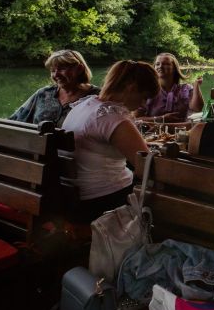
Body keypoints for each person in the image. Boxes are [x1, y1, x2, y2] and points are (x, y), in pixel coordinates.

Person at [61, 60, 160, 223]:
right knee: (164, 187)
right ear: (131, 87)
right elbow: (147, 165)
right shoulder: (111, 117)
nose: (143, 104)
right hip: (104, 199)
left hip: (75, 195)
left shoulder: (86, 105)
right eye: (144, 97)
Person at [10, 49, 99, 126]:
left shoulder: (99, 97)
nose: (56, 75)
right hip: (36, 145)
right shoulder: (43, 94)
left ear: (79, 69)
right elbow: (14, 121)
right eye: (53, 70)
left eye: (62, 69)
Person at [137, 53, 202, 123]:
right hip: (153, 133)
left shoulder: (186, 88)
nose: (160, 66)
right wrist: (161, 118)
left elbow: (197, 108)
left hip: (181, 132)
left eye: (166, 64)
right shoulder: (147, 90)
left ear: (174, 68)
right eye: (157, 64)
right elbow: (135, 119)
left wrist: (196, 86)